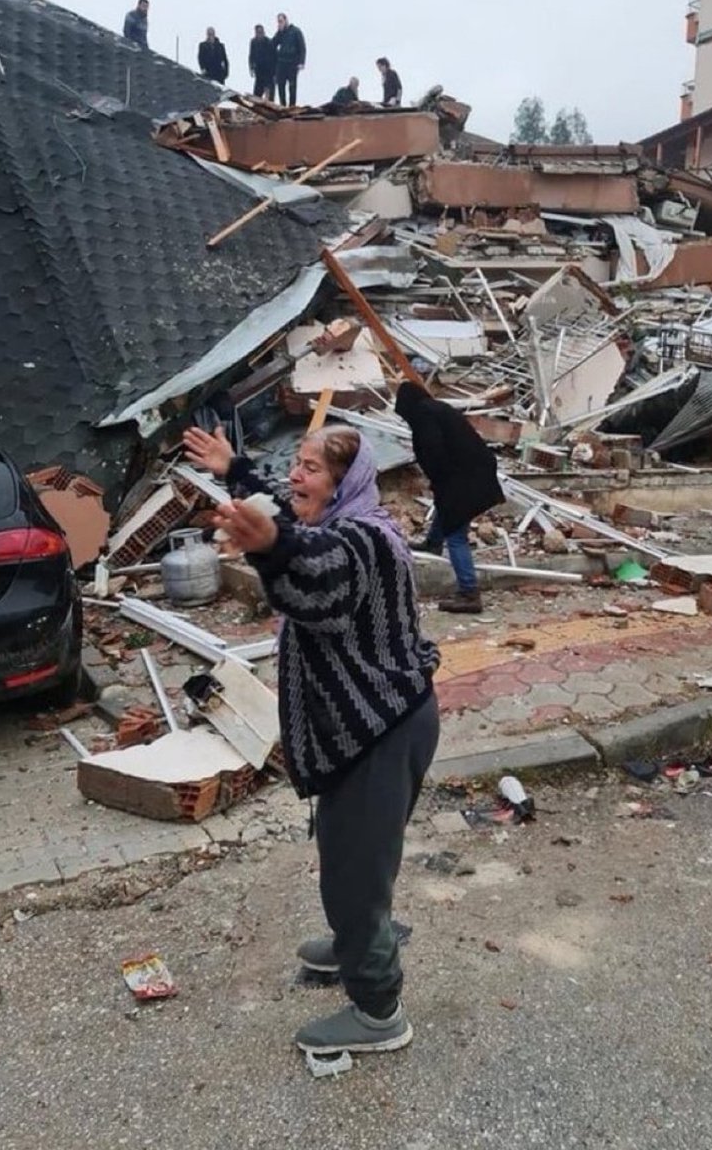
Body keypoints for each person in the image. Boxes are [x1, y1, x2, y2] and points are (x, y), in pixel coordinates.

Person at [181, 422, 440, 1055]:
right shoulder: (333, 522)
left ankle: (379, 1010)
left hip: (380, 729)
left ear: (344, 482)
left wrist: (271, 549)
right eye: (295, 464)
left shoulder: (365, 539)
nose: (296, 477)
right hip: (372, 724)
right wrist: (234, 467)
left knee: (352, 872)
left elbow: (319, 583)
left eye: (311, 469)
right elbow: (282, 513)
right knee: (352, 849)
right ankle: (361, 934)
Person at [395, 382, 505, 614]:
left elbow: (433, 449)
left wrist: (438, 477)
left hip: (464, 477)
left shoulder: (424, 414)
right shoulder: (435, 408)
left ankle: (469, 593)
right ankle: (433, 543)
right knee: (448, 508)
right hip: (470, 472)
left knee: (456, 533)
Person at [273, 12, 306, 106]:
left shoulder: (296, 31)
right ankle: (282, 106)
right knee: (280, 86)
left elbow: (302, 47)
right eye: (278, 22)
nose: (280, 23)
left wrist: (301, 62)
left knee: (292, 86)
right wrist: (279, 32)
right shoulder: (280, 33)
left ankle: (292, 106)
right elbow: (273, 44)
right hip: (281, 63)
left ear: (286, 20)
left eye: (281, 21)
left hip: (292, 63)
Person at [248, 24, 276, 99]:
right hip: (259, 72)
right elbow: (251, 55)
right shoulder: (253, 42)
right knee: (256, 96)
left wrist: (275, 73)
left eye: (261, 32)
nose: (259, 34)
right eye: (258, 32)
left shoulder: (269, 42)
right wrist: (251, 67)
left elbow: (274, 58)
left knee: (269, 97)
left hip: (269, 73)